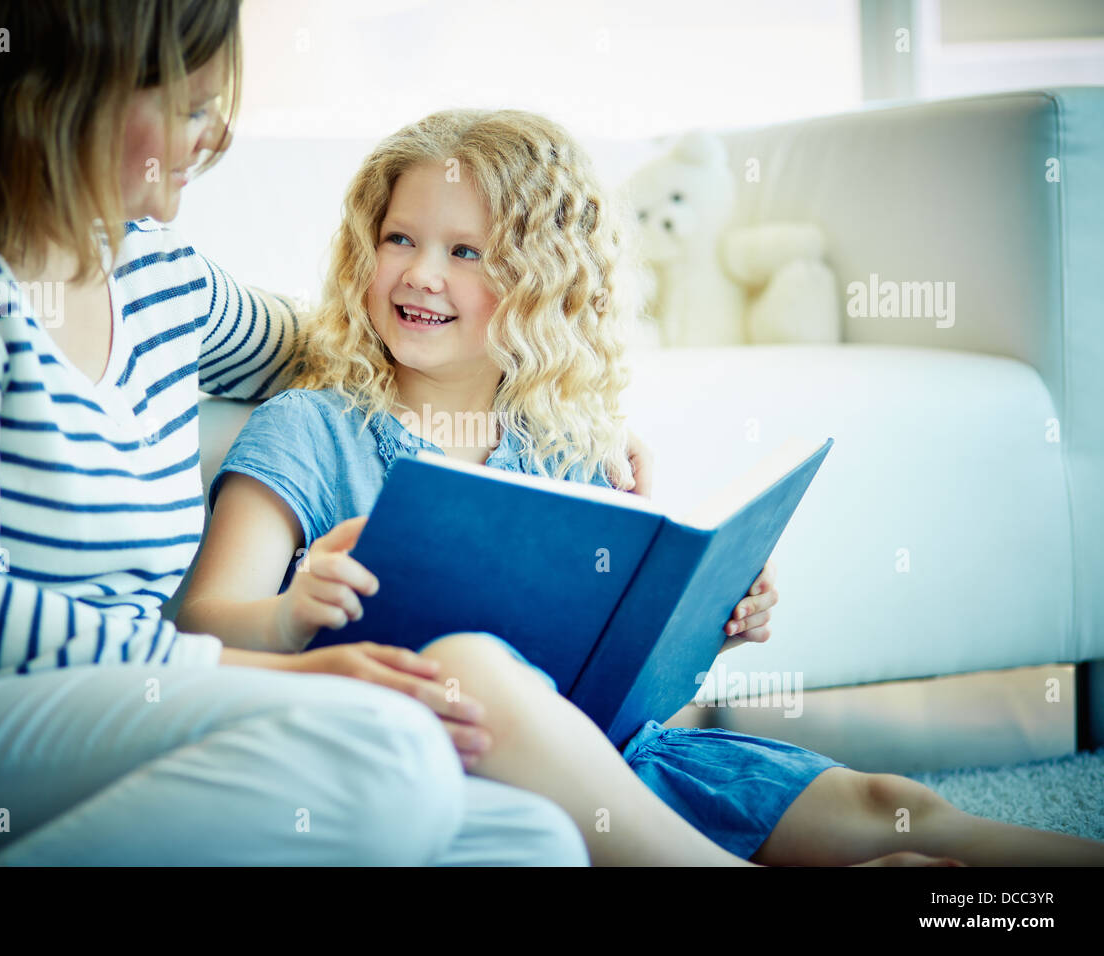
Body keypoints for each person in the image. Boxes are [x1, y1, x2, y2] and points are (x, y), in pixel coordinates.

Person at [179, 107, 1104, 867]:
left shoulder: (568, 442)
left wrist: (712, 616)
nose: (421, 273)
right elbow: (199, 621)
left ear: (543, 281)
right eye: (400, 239)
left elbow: (621, 655)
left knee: (893, 807)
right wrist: (293, 610)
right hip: (446, 757)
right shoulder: (312, 428)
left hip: (621, 754)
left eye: (468, 252)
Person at [0, 0, 589, 866]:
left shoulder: (156, 271)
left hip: (120, 703)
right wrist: (279, 674)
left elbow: (332, 341)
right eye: (187, 108)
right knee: (386, 749)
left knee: (531, 838)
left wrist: (557, 407)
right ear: (72, 101)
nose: (211, 138)